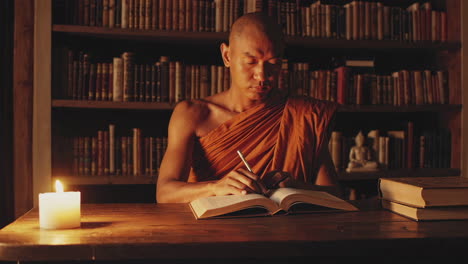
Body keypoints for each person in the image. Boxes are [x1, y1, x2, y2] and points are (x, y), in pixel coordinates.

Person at [156, 12, 340, 203]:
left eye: (273, 63)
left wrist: (297, 187)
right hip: (212, 229)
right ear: (227, 56)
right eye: (251, 62)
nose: (262, 75)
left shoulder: (304, 114)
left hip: (286, 228)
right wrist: (217, 187)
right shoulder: (193, 114)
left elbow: (335, 195)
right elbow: (165, 193)